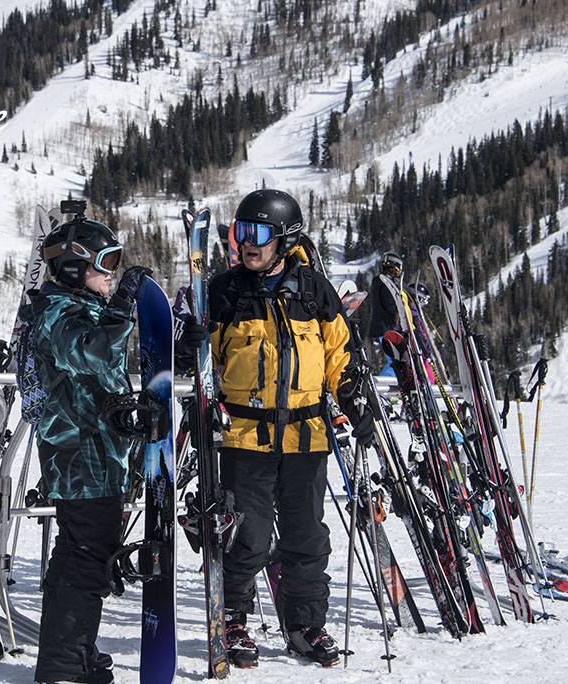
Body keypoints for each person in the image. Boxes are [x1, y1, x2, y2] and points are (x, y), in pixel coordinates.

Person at [178, 189, 374, 668]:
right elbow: (194, 368)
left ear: (284, 239)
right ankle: (234, 619)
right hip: (245, 437)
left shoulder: (313, 290)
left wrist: (355, 400)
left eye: (258, 234)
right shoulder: (223, 293)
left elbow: (339, 354)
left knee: (307, 537)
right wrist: (191, 343)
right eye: (239, 233)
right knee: (250, 535)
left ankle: (305, 624)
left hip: (308, 438)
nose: (246, 244)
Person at [27, 211, 150, 684]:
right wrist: (122, 307)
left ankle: (71, 653)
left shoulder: (79, 309)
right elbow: (93, 352)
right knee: (89, 560)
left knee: (75, 554)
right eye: (105, 261)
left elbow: (105, 372)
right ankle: (62, 666)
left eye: (115, 261)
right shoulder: (60, 313)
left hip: (94, 457)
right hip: (82, 461)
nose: (111, 272)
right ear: (76, 265)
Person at [368, 250, 408, 372]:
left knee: (395, 358)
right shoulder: (386, 283)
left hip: (383, 327)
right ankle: (383, 386)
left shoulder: (379, 282)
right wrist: (401, 309)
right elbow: (391, 304)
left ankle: (388, 385)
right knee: (395, 359)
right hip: (388, 327)